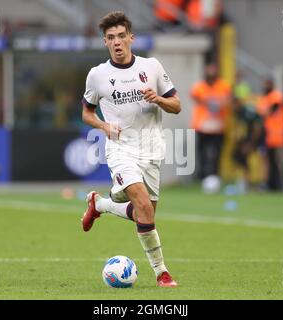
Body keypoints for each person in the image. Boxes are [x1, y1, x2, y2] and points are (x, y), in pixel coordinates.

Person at [81, 12, 181, 287]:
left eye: (121, 36)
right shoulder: (98, 75)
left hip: (151, 150)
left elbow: (177, 106)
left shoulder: (152, 67)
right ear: (105, 42)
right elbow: (86, 113)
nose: (117, 42)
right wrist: (103, 126)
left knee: (144, 214)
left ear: (130, 38)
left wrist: (158, 99)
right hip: (120, 150)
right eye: (111, 38)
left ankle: (100, 203)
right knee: (143, 205)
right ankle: (162, 272)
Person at [190, 63, 231, 180]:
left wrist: (220, 103)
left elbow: (228, 100)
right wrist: (213, 103)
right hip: (202, 125)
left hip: (218, 125)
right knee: (201, 153)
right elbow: (197, 98)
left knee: (217, 153)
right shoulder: (199, 86)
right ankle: (202, 176)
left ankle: (215, 176)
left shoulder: (223, 86)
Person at [256, 78, 283, 191]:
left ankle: (278, 184)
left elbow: (273, 108)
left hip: (277, 135)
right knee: (267, 160)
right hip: (267, 134)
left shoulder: (276, 95)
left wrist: (265, 113)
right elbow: (260, 114)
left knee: (276, 161)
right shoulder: (264, 98)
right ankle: (269, 183)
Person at [231, 96, 263, 191]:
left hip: (259, 138)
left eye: (233, 105)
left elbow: (257, 127)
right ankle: (246, 181)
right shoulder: (237, 113)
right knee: (238, 156)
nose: (232, 107)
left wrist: (251, 143)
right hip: (247, 139)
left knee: (263, 160)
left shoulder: (248, 112)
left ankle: (260, 183)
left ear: (238, 103)